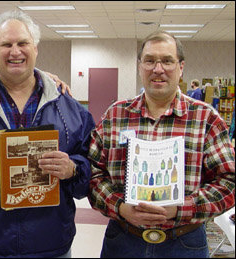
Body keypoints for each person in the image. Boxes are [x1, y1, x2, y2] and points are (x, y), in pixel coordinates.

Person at [0, 10, 95, 258]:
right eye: (6, 44)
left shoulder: (67, 106)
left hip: (49, 245)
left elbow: (91, 170)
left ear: (35, 48)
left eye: (23, 43)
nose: (15, 51)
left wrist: (73, 168)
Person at [88, 31, 235, 258]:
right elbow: (93, 174)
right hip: (123, 240)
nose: (158, 69)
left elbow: (229, 183)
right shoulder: (115, 115)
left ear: (181, 67)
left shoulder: (206, 118)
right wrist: (120, 207)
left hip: (184, 243)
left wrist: (180, 209)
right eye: (150, 61)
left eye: (167, 60)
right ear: (140, 67)